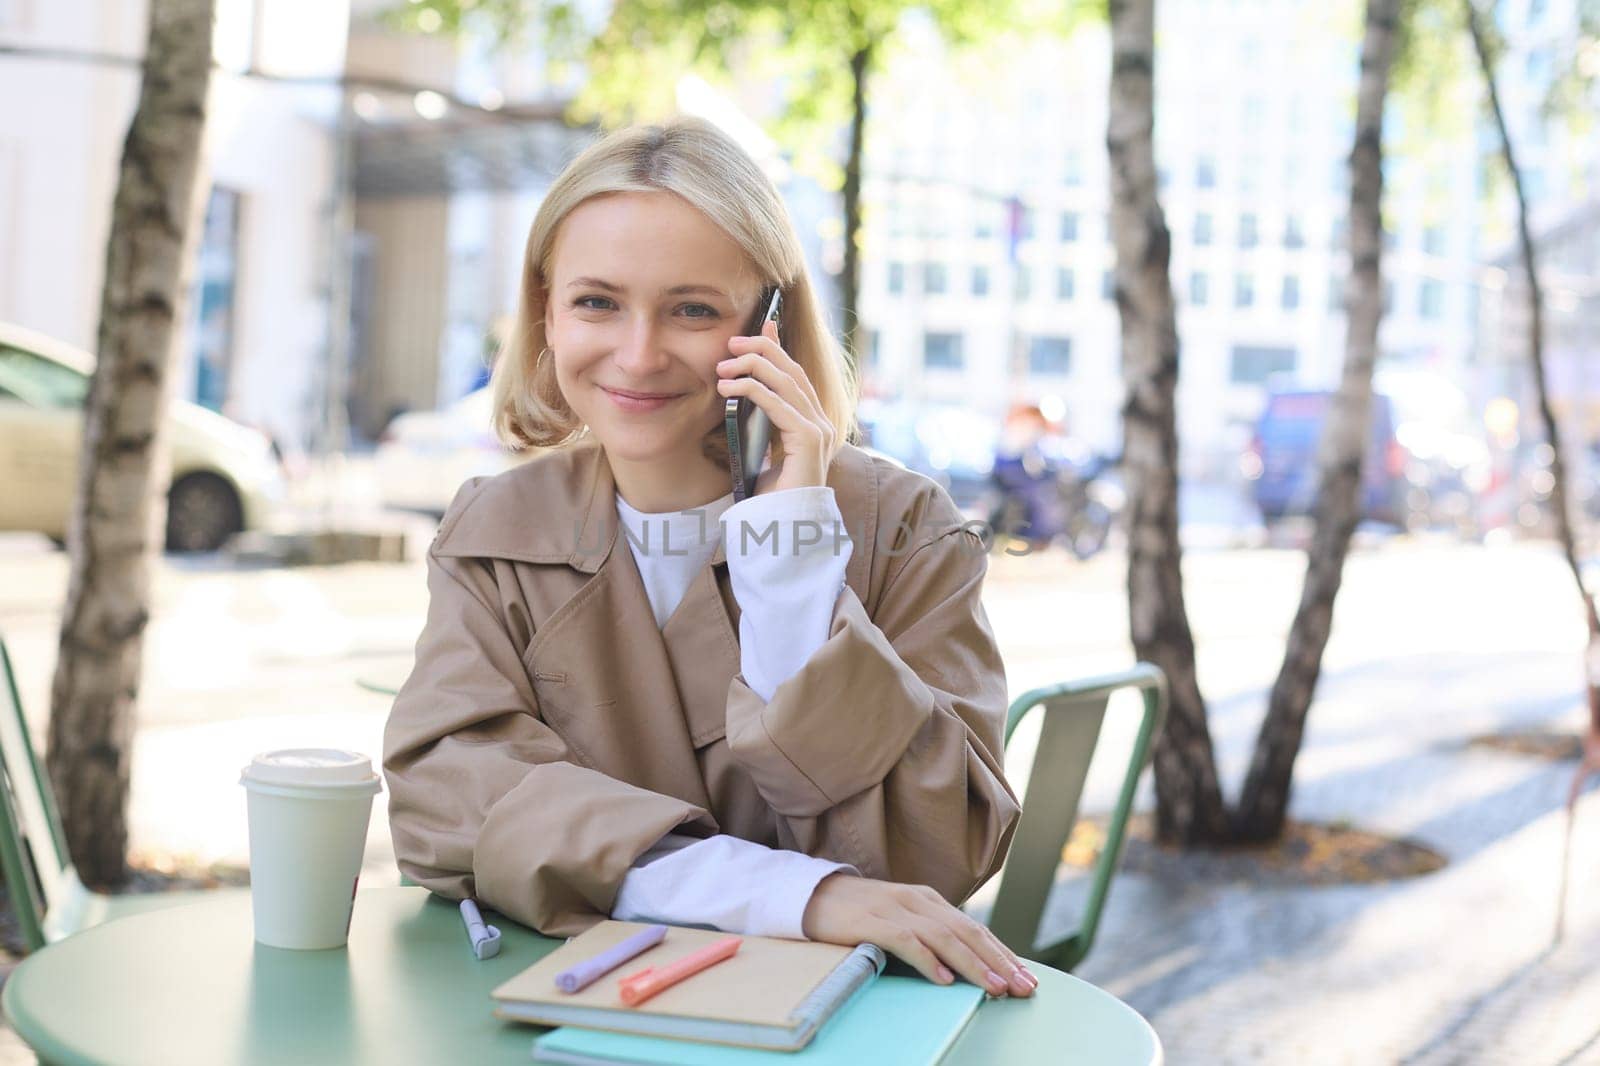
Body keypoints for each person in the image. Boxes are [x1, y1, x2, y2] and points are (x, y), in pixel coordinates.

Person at [382, 118, 1033, 999]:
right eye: (596, 301)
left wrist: (791, 550)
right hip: (567, 1010)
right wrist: (790, 894)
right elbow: (448, 803)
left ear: (770, 324)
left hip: (846, 1023)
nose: (639, 354)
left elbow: (935, 849)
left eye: (692, 308)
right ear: (545, 310)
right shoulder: (495, 530)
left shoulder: (906, 529)